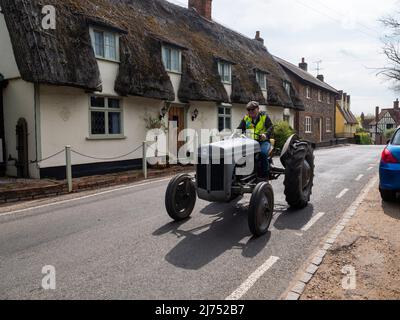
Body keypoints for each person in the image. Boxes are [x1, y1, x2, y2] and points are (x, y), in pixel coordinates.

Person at [237, 101, 274, 179]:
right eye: (249, 110)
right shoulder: (246, 118)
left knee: (263, 153)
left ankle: (265, 174)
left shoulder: (264, 117)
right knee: (239, 154)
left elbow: (271, 127)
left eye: (253, 109)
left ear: (258, 109)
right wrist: (238, 134)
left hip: (263, 142)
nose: (250, 111)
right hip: (250, 143)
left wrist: (265, 134)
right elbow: (239, 129)